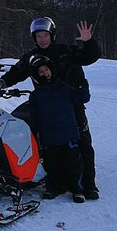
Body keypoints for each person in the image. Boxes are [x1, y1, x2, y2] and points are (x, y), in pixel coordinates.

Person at [0, 17, 101, 200]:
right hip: (48, 110)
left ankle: (88, 184)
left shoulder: (65, 52)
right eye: (38, 36)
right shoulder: (31, 58)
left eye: (45, 35)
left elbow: (88, 57)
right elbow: (16, 73)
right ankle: (59, 183)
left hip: (72, 106)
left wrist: (88, 42)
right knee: (52, 148)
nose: (42, 39)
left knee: (82, 144)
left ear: (51, 35)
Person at [28, 55, 90, 203]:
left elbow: (82, 98)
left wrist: (82, 84)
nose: (44, 73)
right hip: (49, 137)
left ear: (51, 70)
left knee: (74, 164)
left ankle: (77, 190)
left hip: (68, 135)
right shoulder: (36, 95)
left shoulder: (64, 88)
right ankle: (53, 188)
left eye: (46, 69)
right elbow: (34, 117)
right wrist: (34, 135)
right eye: (41, 71)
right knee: (51, 165)